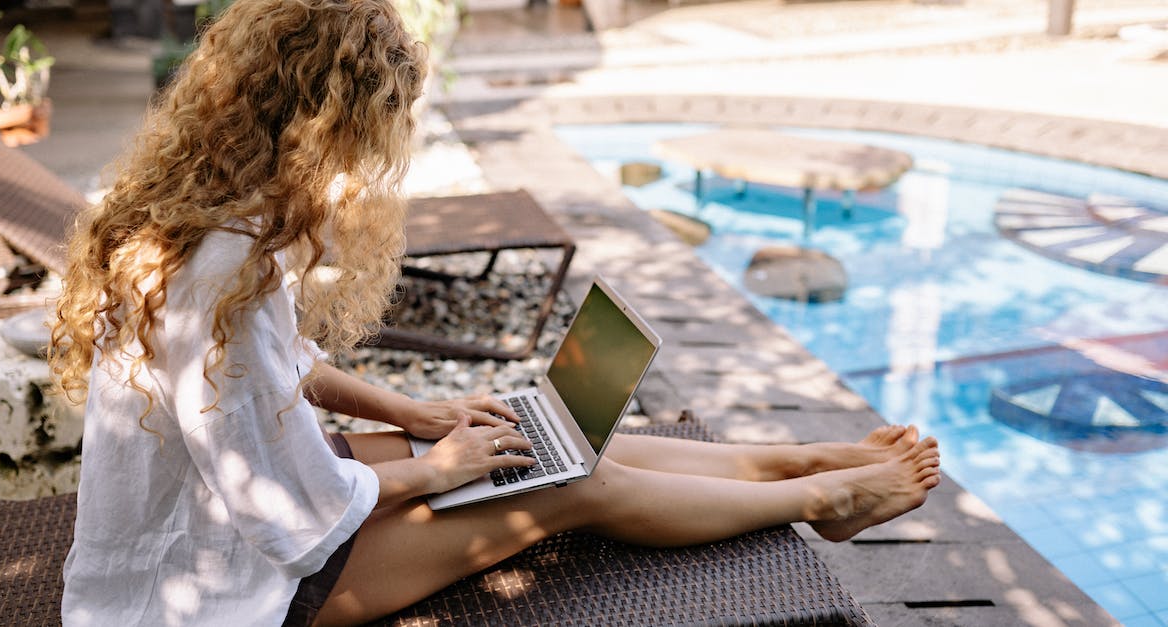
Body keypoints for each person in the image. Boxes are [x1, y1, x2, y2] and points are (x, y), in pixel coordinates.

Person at [51, 0, 941, 624]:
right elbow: (288, 518)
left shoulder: (213, 219)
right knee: (569, 487)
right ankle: (825, 494)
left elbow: (276, 372)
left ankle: (796, 459)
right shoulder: (223, 265)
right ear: (321, 129)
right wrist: (436, 471)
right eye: (373, 137)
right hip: (232, 597)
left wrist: (417, 416)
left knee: (536, 435)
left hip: (225, 529)